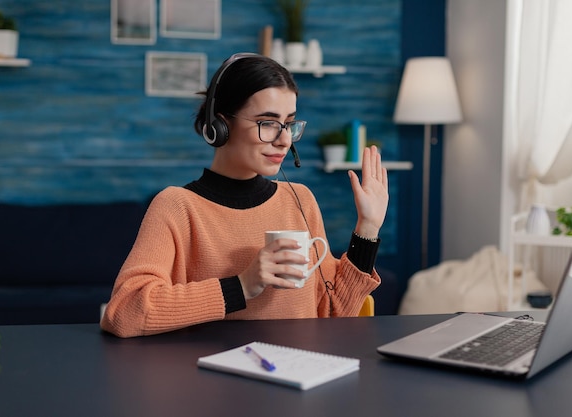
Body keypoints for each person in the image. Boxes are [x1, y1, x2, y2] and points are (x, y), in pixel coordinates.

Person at [100, 53, 389, 338]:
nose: (284, 139)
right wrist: (240, 286)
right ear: (220, 126)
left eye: (288, 123)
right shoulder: (176, 206)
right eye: (268, 122)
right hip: (213, 379)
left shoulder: (300, 200)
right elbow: (123, 313)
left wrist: (368, 227)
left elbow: (334, 315)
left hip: (299, 373)